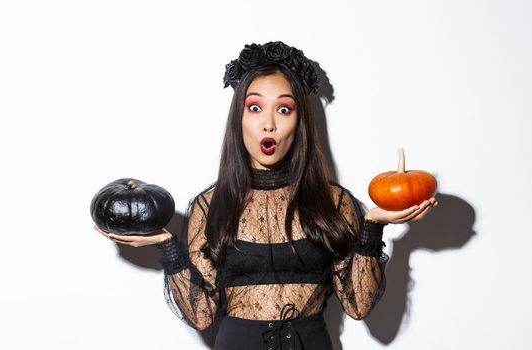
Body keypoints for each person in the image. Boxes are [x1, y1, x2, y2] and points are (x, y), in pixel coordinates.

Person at [94, 41, 436, 350]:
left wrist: (373, 226)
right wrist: (167, 245)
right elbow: (201, 315)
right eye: (255, 108)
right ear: (238, 119)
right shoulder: (211, 206)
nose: (268, 124)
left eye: (283, 109)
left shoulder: (334, 202)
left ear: (299, 122)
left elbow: (358, 306)